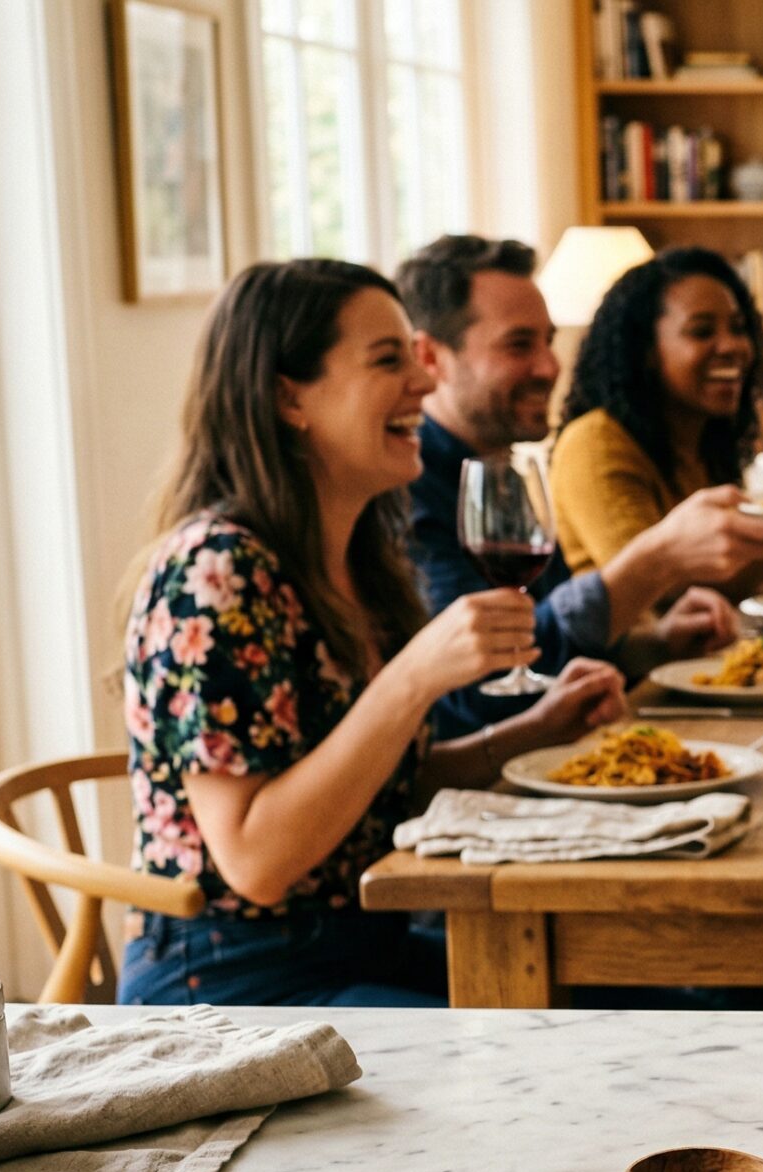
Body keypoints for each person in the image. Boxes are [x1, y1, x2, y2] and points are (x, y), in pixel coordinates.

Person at [122, 260, 630, 1007]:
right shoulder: (215, 573)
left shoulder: (359, 559)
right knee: (558, 1056)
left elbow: (371, 791)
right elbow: (256, 859)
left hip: (367, 946)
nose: (424, 382)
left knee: (629, 1007)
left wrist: (531, 732)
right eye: (389, 360)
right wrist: (414, 676)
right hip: (235, 987)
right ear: (287, 394)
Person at [395, 235, 763, 735]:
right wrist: (656, 559)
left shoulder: (505, 471)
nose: (550, 366)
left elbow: (551, 638)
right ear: (431, 358)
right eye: (520, 345)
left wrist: (657, 644)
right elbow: (485, 683)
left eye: (548, 340)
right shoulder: (406, 487)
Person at [550, 246, 763, 597]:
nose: (732, 347)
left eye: (739, 328)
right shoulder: (596, 443)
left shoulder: (705, 440)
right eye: (702, 331)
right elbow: (655, 590)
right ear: (646, 351)